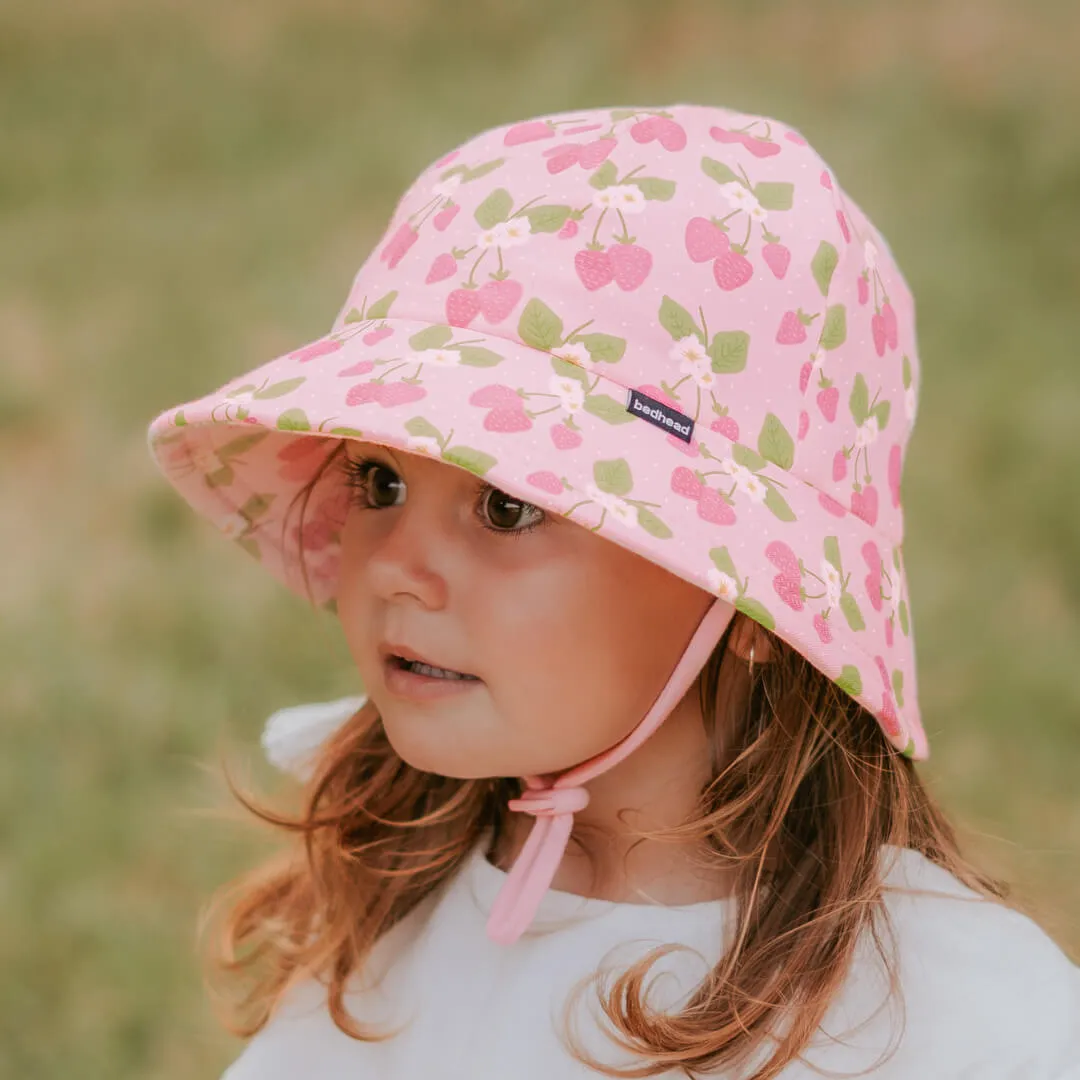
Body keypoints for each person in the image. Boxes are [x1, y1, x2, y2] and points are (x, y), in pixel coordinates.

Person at [146, 103, 1080, 1078]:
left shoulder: (957, 1023)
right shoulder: (378, 937)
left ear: (753, 605)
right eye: (379, 483)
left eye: (506, 509)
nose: (388, 565)